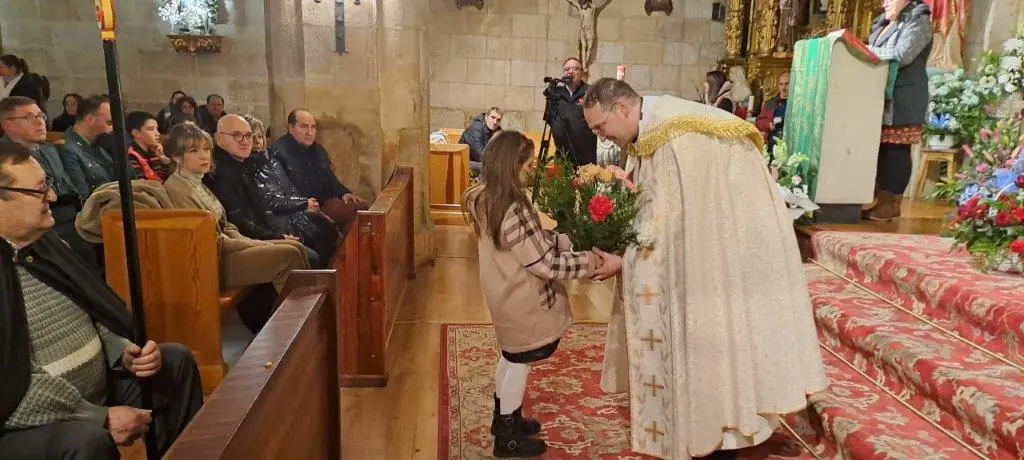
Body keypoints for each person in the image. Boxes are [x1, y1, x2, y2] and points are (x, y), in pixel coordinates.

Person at [581, 78, 825, 459]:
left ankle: (725, 425)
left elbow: (669, 232)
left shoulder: (676, 137)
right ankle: (708, 420)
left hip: (722, 258)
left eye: (601, 127)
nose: (604, 137)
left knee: (718, 340)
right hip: (708, 257)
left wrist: (623, 261)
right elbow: (658, 219)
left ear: (622, 109)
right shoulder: (651, 133)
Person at [0, 140, 203, 458]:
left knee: (175, 362)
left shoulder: (48, 247)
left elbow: (97, 310)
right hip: (26, 421)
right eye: (39, 190)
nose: (52, 196)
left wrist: (124, 353)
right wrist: (99, 417)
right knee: (86, 441)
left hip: (93, 391)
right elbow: (10, 385)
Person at [462, 130, 599, 458]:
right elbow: (544, 263)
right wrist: (590, 261)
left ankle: (505, 418)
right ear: (513, 165)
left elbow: (527, 245)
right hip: (522, 298)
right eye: (529, 163)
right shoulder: (511, 207)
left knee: (510, 357)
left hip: (503, 294)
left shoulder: (483, 196)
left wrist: (563, 239)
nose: (533, 169)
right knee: (520, 361)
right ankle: (507, 438)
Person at [163, 122, 309, 333]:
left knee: (297, 248)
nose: (204, 156)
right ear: (176, 157)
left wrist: (251, 241)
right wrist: (252, 243)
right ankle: (296, 329)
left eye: (206, 149)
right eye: (194, 151)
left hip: (227, 248)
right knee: (287, 255)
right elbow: (209, 239)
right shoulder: (177, 188)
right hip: (210, 263)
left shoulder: (197, 182)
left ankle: (300, 322)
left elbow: (226, 223)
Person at [0, 97, 95, 267]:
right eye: (30, 117)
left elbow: (70, 186)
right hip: (43, 226)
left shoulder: (50, 149)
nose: (40, 122)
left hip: (74, 218)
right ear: (8, 125)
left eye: (41, 116)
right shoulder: (5, 159)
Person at [863, 0, 933, 220]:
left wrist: (865, 50)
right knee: (881, 150)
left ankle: (891, 203)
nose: (884, 3)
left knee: (896, 150)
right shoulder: (882, 23)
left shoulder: (918, 20)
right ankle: (875, 198)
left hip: (903, 97)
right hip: (879, 96)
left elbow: (903, 55)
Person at [271, 109, 368, 236]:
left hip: (322, 202)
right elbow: (281, 191)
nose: (309, 132)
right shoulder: (278, 152)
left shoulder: (317, 149)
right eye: (304, 127)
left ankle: (344, 251)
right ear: (291, 128)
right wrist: (304, 206)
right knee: (359, 212)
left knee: (361, 207)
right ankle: (342, 251)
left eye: (313, 127)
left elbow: (329, 177)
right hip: (302, 209)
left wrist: (343, 193)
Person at [546, 57, 598, 167]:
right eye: (567, 69)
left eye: (575, 68)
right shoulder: (555, 93)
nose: (570, 71)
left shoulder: (590, 92)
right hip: (562, 155)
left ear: (581, 73)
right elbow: (550, 119)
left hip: (585, 156)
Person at [459, 107, 503, 176]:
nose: (495, 122)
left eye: (498, 120)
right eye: (493, 117)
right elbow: (480, 155)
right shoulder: (476, 128)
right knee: (496, 168)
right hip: (465, 163)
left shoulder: (496, 131)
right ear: (486, 117)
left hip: (479, 162)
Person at [755, 71, 791, 155]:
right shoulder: (771, 102)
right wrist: (768, 124)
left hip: (789, 142)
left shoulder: (796, 104)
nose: (783, 88)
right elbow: (758, 122)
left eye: (787, 84)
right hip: (772, 143)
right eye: (781, 84)